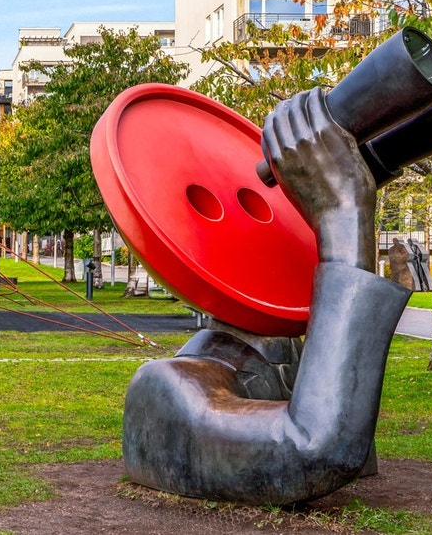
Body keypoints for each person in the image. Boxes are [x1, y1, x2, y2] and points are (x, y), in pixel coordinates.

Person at [120, 88, 412, 505]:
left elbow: (353, 452)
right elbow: (315, 449)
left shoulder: (287, 368)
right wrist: (343, 214)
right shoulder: (165, 391)